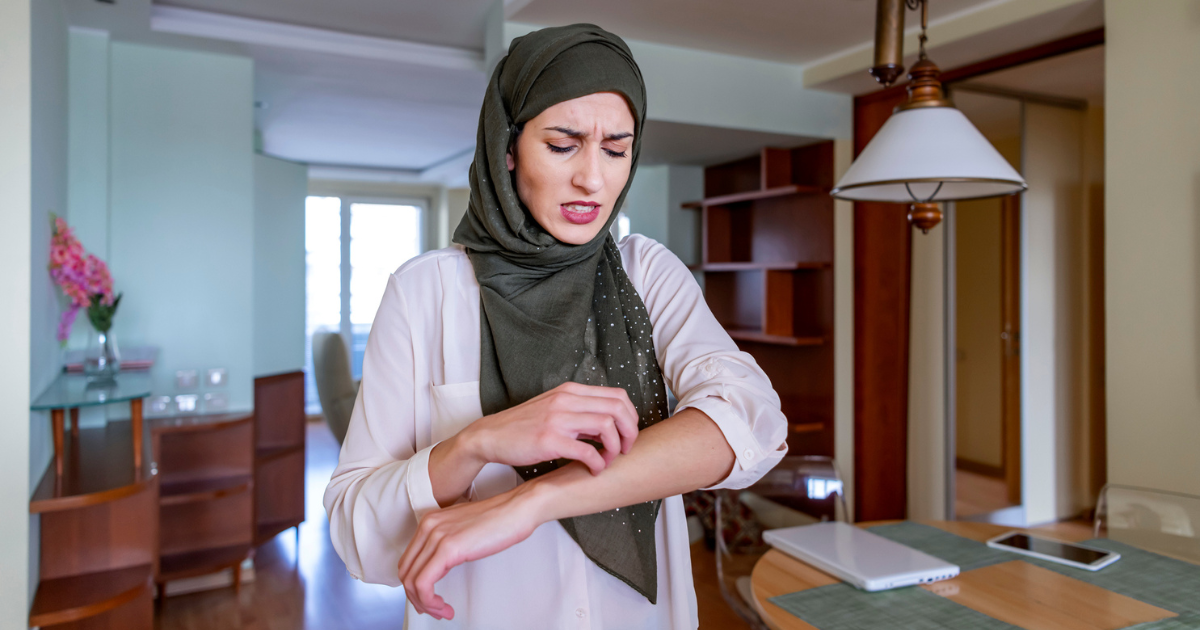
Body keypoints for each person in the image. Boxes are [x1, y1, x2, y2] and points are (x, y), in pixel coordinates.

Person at [323, 23, 788, 629]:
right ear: (508, 147)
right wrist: (477, 442)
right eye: (563, 145)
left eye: (616, 149)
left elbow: (751, 420)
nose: (592, 179)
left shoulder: (648, 275)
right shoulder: (424, 293)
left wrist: (533, 500)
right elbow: (356, 533)